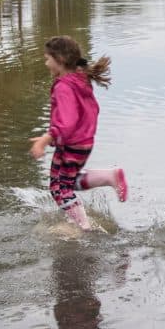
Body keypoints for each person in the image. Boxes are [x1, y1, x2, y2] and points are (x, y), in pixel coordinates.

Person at [30, 36, 128, 230]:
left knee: (60, 188)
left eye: (48, 58)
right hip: (81, 141)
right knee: (67, 182)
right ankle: (109, 177)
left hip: (71, 143)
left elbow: (67, 121)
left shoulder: (64, 86)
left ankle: (83, 227)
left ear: (60, 60)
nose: (46, 63)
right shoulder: (79, 80)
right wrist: (55, 137)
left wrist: (46, 138)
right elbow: (90, 111)